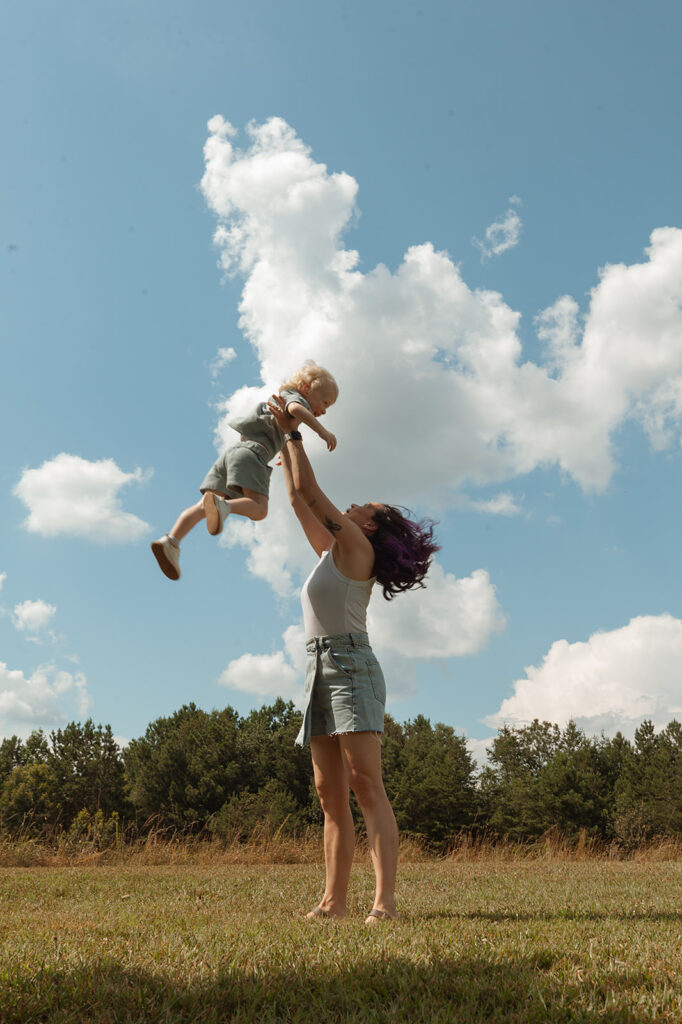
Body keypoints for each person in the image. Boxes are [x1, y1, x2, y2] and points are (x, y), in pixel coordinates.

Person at [267, 393, 439, 925]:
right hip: (317, 669)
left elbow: (309, 489)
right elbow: (298, 499)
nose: (357, 504)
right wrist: (280, 435)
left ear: (370, 528)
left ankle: (383, 903)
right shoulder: (331, 553)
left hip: (351, 667)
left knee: (366, 783)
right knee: (328, 793)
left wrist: (295, 431)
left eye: (366, 507)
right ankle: (333, 903)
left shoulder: (358, 552)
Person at [151, 362, 338, 580]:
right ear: (306, 389)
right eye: (324, 402)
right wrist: (321, 431)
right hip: (253, 455)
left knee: (203, 505)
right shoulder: (295, 400)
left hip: (233, 453)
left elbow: (275, 428)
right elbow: (296, 410)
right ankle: (224, 507)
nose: (323, 410)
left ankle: (172, 541)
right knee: (259, 509)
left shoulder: (280, 398)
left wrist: (279, 449)